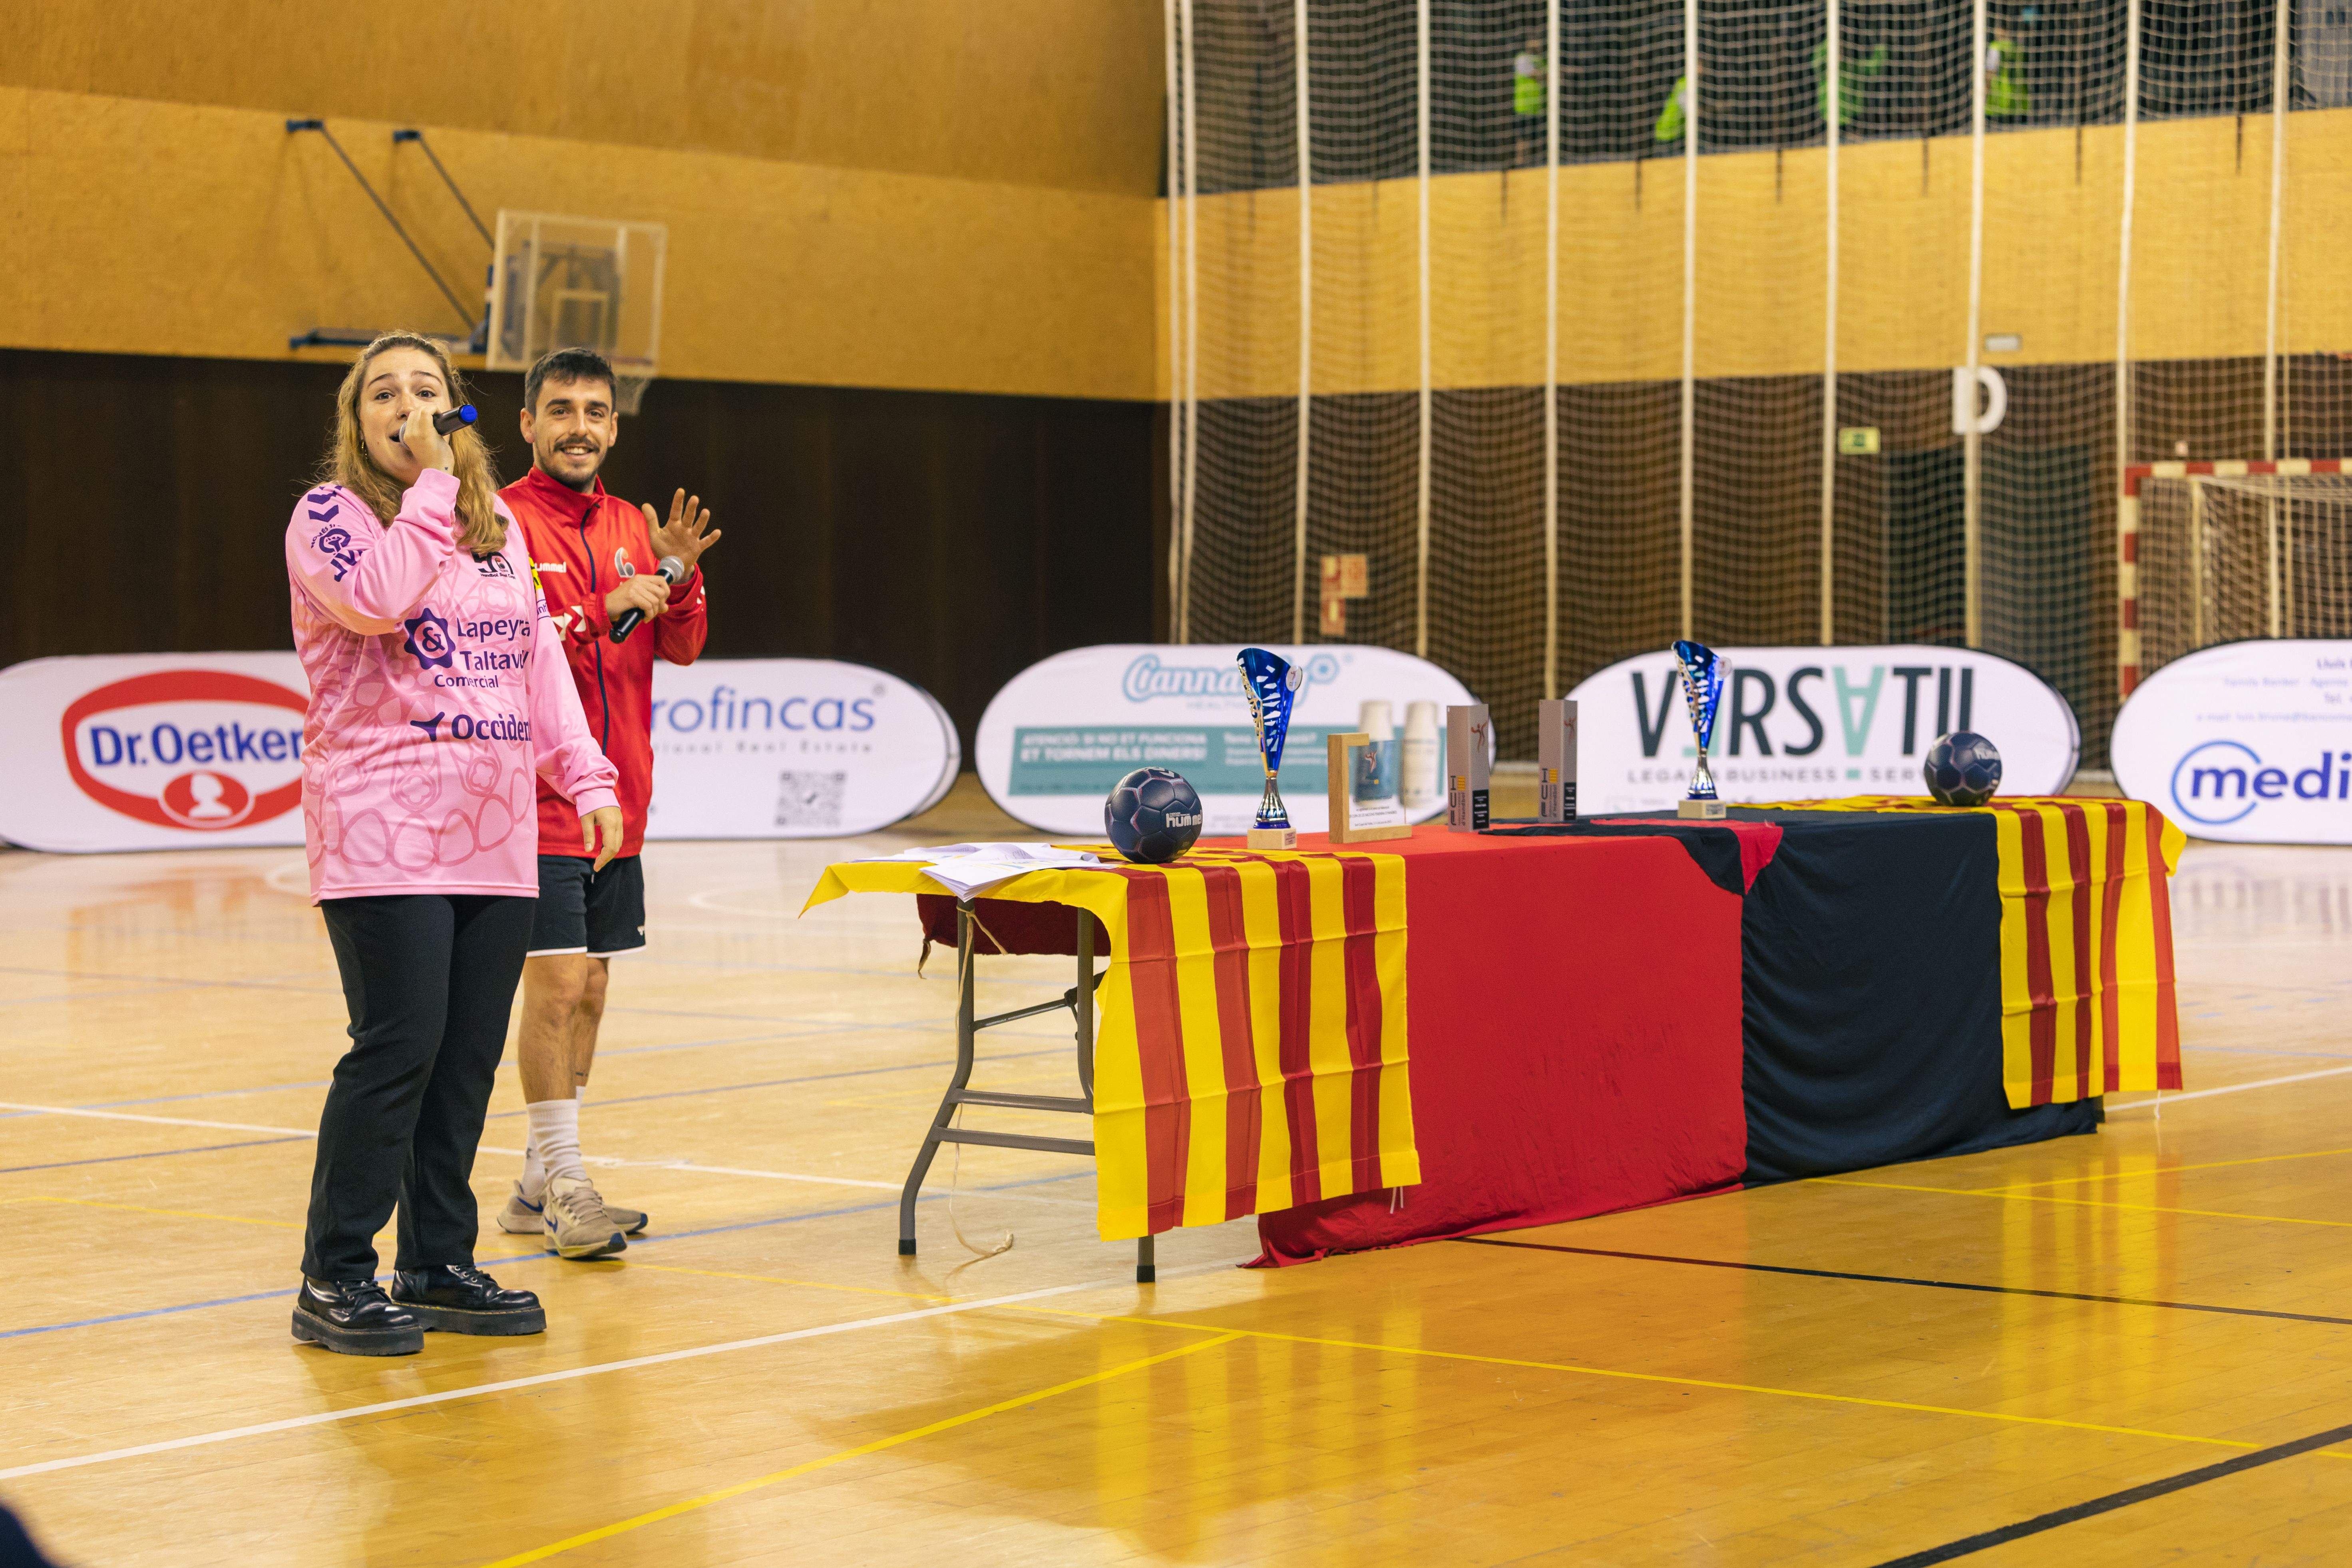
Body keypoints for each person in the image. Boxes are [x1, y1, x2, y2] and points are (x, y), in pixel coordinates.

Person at [285, 331, 622, 1355]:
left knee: (466, 1062)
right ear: (358, 424)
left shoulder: (499, 533)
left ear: (457, 409)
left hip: (496, 837)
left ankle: (437, 1262)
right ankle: (333, 1277)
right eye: (384, 394)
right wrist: (435, 489)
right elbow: (376, 600)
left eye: (427, 390)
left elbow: (536, 666)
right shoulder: (328, 519)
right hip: (382, 832)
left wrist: (588, 773)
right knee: (398, 1053)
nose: (408, 405)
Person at [492, 347, 718, 1260]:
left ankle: (538, 1183)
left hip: (622, 806)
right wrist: (597, 606)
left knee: (590, 985)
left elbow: (686, 646)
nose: (577, 426)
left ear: (614, 427)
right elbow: (498, 652)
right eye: (559, 410)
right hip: (539, 801)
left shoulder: (633, 521)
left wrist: (680, 578)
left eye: (594, 411)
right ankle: (570, 1184)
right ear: (528, 425)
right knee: (552, 988)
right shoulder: (496, 524)